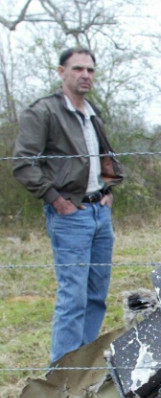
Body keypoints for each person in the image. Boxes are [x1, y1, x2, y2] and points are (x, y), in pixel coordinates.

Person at [13, 47, 123, 364]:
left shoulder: (92, 113)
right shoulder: (44, 112)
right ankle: (60, 378)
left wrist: (108, 190)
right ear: (62, 72)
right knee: (72, 297)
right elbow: (23, 164)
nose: (85, 75)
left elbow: (100, 159)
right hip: (70, 215)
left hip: (99, 213)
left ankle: (84, 368)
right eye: (77, 69)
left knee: (96, 296)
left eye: (90, 70)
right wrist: (57, 201)